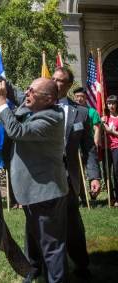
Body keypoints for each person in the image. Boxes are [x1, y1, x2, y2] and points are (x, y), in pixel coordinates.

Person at [0, 78, 69, 282]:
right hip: (34, 191)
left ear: (48, 99)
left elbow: (16, 131)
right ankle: (34, 269)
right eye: (28, 89)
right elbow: (17, 92)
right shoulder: (37, 103)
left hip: (45, 193)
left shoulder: (50, 118)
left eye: (32, 91)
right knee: (35, 236)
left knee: (52, 246)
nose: (27, 93)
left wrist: (1, 102)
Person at [52, 67, 101, 281]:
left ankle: (81, 264)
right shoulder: (39, 106)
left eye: (60, 81)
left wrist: (94, 176)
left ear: (69, 85)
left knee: (73, 223)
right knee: (40, 224)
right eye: (52, 79)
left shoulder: (80, 112)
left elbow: (89, 147)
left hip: (70, 176)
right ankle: (37, 266)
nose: (55, 83)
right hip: (44, 176)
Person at [73, 87, 102, 204]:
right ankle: (83, 196)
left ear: (86, 98)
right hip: (75, 144)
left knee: (92, 169)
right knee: (78, 171)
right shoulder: (73, 112)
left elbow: (97, 128)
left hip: (89, 144)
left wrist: (95, 141)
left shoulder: (92, 112)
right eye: (77, 97)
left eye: (82, 97)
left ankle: (94, 191)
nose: (79, 99)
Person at [101, 95, 118, 207]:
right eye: (109, 103)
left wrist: (111, 132)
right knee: (106, 173)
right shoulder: (105, 118)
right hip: (106, 148)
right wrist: (101, 123)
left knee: (116, 173)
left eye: (113, 103)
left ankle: (117, 198)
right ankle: (110, 197)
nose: (111, 106)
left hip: (116, 147)